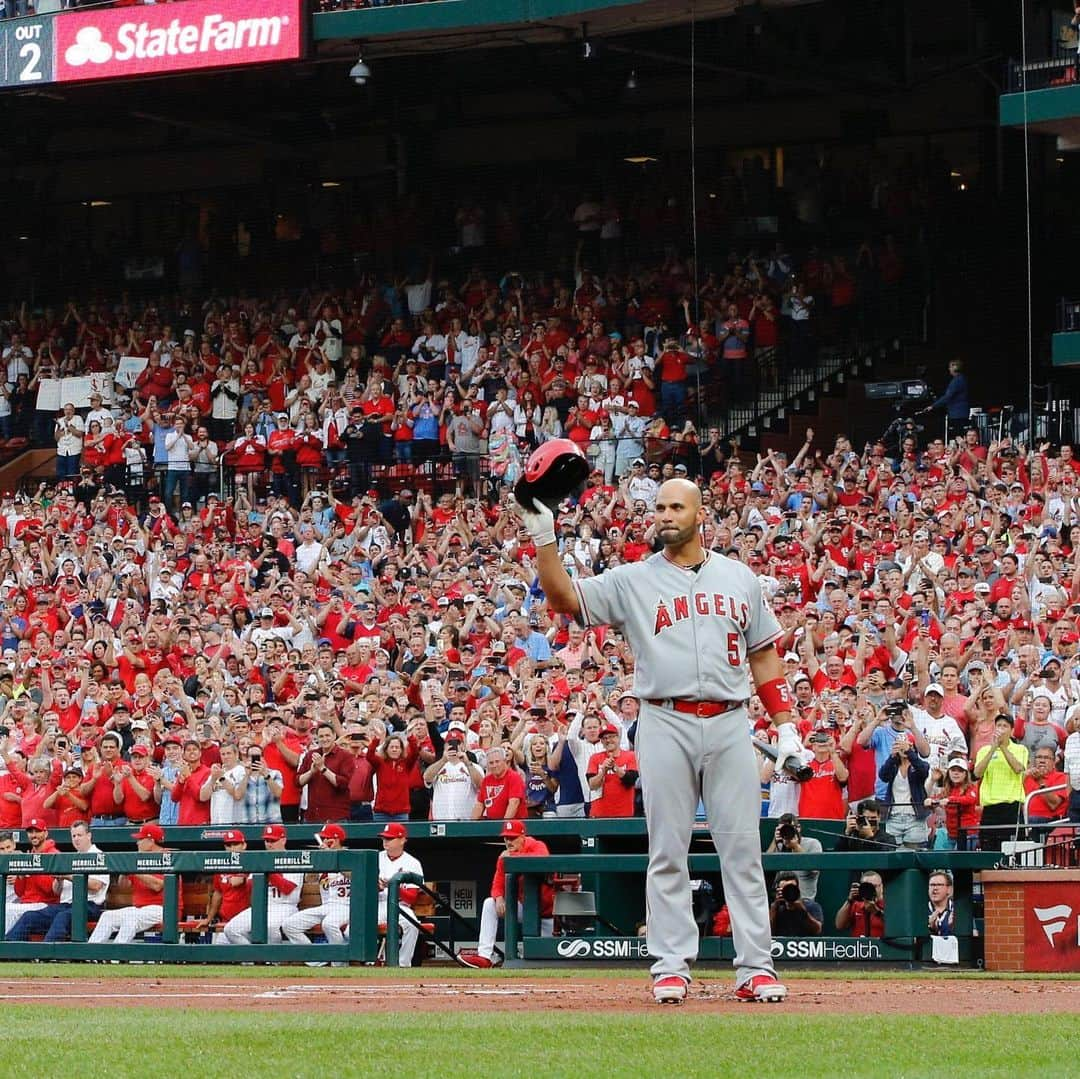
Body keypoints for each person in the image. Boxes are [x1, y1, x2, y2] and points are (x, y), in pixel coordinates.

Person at [516, 475, 790, 1003]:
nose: (664, 514)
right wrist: (545, 539)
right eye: (659, 507)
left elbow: (762, 655)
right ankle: (670, 964)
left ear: (699, 513)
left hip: (732, 720)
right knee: (667, 848)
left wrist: (785, 725)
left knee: (742, 849)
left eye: (675, 506)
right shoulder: (634, 579)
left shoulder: (739, 578)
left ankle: (755, 966)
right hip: (664, 717)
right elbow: (565, 598)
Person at [459, 819, 553, 969]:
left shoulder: (537, 846)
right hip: (525, 909)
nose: (509, 842)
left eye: (513, 838)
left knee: (545, 960)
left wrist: (511, 857)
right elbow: (497, 883)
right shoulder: (504, 857)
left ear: (523, 837)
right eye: (506, 838)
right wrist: (498, 897)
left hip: (547, 916)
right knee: (489, 903)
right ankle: (485, 956)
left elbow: (540, 861)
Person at [8, 820, 109, 942]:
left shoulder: (99, 855)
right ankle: (9, 949)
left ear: (89, 835)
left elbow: (96, 885)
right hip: (65, 905)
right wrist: (59, 879)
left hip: (89, 905)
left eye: (79, 835)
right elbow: (56, 891)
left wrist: (67, 875)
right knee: (30, 916)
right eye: (74, 836)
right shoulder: (70, 858)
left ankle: (46, 952)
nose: (76, 839)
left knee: (63, 916)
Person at [223, 823, 304, 944]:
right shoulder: (262, 858)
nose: (269, 844)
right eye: (267, 840)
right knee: (231, 929)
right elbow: (250, 887)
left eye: (273, 840)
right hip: (262, 907)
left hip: (285, 907)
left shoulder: (294, 858)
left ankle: (273, 960)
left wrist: (266, 869)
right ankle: (254, 959)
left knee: (270, 927)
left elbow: (287, 888)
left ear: (283, 840)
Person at [283, 823, 353, 963]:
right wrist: (317, 860)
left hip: (348, 905)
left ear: (337, 839)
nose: (325, 841)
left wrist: (333, 857)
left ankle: (339, 964)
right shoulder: (323, 857)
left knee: (329, 924)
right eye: (323, 838)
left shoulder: (349, 855)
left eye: (328, 838)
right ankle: (316, 960)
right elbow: (310, 878)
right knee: (290, 925)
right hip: (327, 906)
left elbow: (353, 875)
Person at [88, 823, 166, 944]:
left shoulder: (167, 856)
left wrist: (131, 868)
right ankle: (90, 952)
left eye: (140, 839)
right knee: (107, 917)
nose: (137, 843)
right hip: (140, 909)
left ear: (151, 841)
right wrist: (124, 872)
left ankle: (116, 955)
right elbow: (123, 885)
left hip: (163, 909)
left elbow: (157, 885)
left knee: (131, 917)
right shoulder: (139, 858)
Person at [973, 714, 1029, 851]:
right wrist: (993, 748)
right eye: (999, 725)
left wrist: (1003, 747)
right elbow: (977, 773)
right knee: (988, 850)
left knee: (1013, 852)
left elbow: (1018, 768)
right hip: (990, 809)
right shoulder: (984, 751)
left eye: (1005, 726)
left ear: (1011, 730)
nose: (1001, 729)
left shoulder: (1020, 749)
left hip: (1011, 807)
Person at [375, 822, 425, 968]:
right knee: (354, 928)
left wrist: (393, 886)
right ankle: (371, 961)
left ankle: (403, 965)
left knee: (412, 925)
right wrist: (376, 887)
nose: (385, 842)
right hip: (378, 904)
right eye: (384, 838)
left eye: (390, 839)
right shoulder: (376, 858)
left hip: (400, 906)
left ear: (402, 840)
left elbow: (411, 898)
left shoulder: (412, 863)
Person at [4, 819, 59, 936]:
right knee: (5, 909)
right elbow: (20, 893)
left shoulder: (53, 854)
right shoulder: (29, 855)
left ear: (45, 833)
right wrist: (21, 876)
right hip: (26, 903)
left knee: (6, 910)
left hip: (45, 905)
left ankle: (6, 948)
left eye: (37, 831)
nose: (33, 835)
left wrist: (33, 869)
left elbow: (50, 890)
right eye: (30, 832)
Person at [195, 830, 252, 944]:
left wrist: (229, 878)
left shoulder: (250, 861)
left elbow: (237, 881)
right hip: (226, 921)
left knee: (246, 959)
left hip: (246, 922)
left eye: (235, 844)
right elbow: (218, 893)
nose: (232, 848)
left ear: (244, 845)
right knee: (218, 956)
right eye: (228, 845)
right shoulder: (222, 865)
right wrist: (209, 918)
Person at [877, 731, 931, 848]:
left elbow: (923, 770)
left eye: (908, 746)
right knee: (891, 852)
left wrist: (910, 752)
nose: (904, 750)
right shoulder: (893, 766)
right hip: (894, 817)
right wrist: (892, 757)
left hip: (914, 818)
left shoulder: (919, 765)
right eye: (900, 746)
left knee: (913, 853)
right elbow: (883, 776)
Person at [765, 813, 823, 901]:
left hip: (804, 899)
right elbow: (766, 865)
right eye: (782, 830)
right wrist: (775, 841)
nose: (786, 832)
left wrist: (796, 847)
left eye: (789, 828)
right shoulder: (780, 846)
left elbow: (815, 869)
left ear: (798, 828)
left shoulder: (813, 843)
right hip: (781, 900)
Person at [585, 723, 638, 817]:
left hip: (624, 813)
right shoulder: (595, 758)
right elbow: (592, 785)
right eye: (604, 738)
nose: (608, 740)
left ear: (618, 738)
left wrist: (615, 768)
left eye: (611, 736)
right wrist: (603, 771)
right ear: (601, 741)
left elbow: (631, 781)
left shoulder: (630, 756)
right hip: (599, 814)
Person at [471, 746, 526, 820]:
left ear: (504, 761)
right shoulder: (486, 780)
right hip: (492, 823)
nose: (494, 765)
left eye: (497, 761)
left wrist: (504, 824)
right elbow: (479, 805)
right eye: (491, 763)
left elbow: (514, 803)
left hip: (513, 825)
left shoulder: (514, 777)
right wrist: (471, 824)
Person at [1023, 746, 1068, 831]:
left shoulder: (1061, 777)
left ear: (1054, 762)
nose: (1042, 761)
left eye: (1046, 758)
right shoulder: (1027, 778)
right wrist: (1023, 776)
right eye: (1039, 757)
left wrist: (1040, 781)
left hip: (1051, 822)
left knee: (1031, 821)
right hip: (1027, 820)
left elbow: (1053, 804)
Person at [834, 871, 886, 938]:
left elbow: (897, 926)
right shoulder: (857, 905)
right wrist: (849, 900)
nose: (871, 890)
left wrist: (877, 912)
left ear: (881, 886)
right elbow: (839, 925)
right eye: (867, 887)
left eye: (874, 886)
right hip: (860, 946)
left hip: (882, 946)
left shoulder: (890, 905)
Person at [927, 870, 954, 936]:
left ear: (949, 889)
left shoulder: (959, 911)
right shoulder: (919, 911)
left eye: (939, 885)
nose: (935, 888)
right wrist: (931, 929)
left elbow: (974, 936)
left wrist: (953, 928)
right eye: (932, 885)